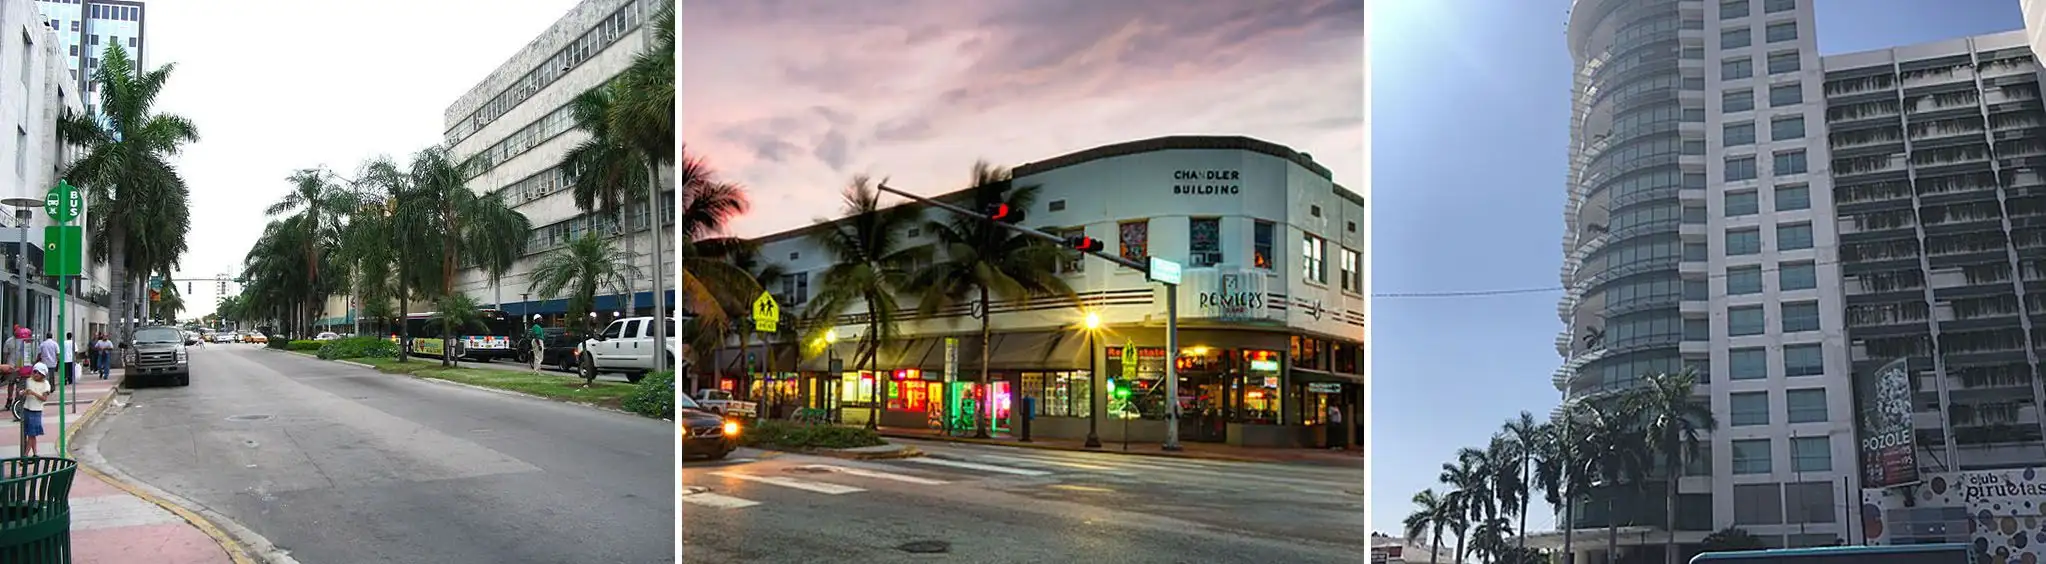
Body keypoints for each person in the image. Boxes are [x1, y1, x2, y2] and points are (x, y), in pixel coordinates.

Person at [21, 362, 47, 457]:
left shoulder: (45, 384)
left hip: (36, 411)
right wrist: (24, 392)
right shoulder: (29, 381)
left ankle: (25, 455)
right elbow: (23, 392)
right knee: (30, 434)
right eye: (35, 372)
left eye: (39, 373)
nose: (36, 374)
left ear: (43, 375)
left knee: (32, 434)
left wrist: (33, 393)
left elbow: (44, 398)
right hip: (27, 408)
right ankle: (35, 454)